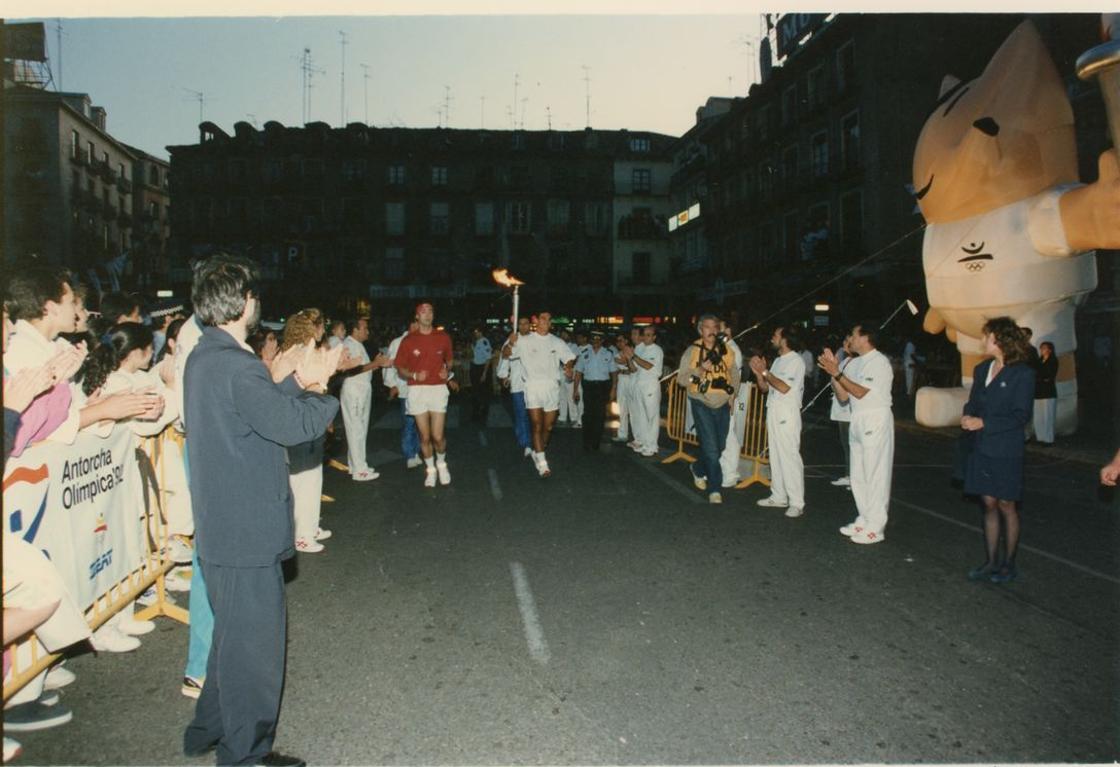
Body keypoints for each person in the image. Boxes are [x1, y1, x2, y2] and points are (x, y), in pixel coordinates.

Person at [182, 253, 339, 767]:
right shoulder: (239, 364)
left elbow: (248, 412)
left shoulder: (207, 356)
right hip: (245, 527)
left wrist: (291, 383)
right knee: (256, 653)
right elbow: (292, 426)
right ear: (245, 302)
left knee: (232, 635)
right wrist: (319, 385)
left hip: (222, 526)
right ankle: (245, 754)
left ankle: (208, 728)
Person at [959, 317, 1035, 584]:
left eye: (986, 336)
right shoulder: (982, 370)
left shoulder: (1022, 374)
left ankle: (1009, 564)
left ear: (1000, 340)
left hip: (1005, 448)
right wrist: (968, 416)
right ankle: (991, 561)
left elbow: (1020, 415)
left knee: (1006, 504)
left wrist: (984, 422)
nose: (982, 341)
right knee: (988, 504)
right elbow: (973, 402)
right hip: (981, 446)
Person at [819, 323, 895, 544]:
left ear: (865, 338)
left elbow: (861, 392)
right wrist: (833, 373)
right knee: (858, 474)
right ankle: (864, 518)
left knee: (875, 474)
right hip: (857, 418)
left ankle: (876, 527)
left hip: (875, 417)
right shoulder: (854, 363)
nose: (850, 339)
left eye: (853, 335)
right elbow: (844, 396)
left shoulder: (879, 362)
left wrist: (838, 373)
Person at [676, 314, 740, 503]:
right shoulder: (693, 350)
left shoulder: (727, 350)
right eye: (707, 327)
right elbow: (681, 380)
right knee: (711, 449)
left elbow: (734, 374)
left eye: (715, 327)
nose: (712, 330)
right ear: (700, 330)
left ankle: (698, 468)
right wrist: (700, 370)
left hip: (722, 403)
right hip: (701, 402)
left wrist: (732, 395)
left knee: (719, 447)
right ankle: (715, 488)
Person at [507, 311, 575, 477]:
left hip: (551, 387)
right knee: (536, 425)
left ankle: (539, 451)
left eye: (549, 319)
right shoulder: (524, 340)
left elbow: (569, 357)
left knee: (548, 426)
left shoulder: (556, 341)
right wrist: (510, 344)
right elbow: (506, 355)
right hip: (532, 386)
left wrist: (569, 366)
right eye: (543, 318)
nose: (546, 321)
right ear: (536, 321)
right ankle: (543, 463)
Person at [393, 302, 454, 488]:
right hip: (417, 390)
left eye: (430, 311)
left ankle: (442, 465)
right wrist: (413, 375)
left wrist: (447, 370)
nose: (428, 315)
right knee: (424, 437)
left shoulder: (443, 337)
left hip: (437, 389)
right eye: (423, 312)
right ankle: (430, 470)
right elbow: (400, 368)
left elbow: (450, 360)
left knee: (437, 436)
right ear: (417, 317)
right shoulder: (409, 340)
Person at [749, 325, 807, 517]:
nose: (772, 338)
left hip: (787, 413)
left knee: (789, 456)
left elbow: (784, 387)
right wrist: (759, 374)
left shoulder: (795, 361)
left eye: (775, 335)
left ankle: (797, 502)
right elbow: (766, 388)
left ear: (785, 339)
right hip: (773, 410)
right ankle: (779, 495)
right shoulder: (779, 361)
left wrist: (765, 372)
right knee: (775, 455)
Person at [339, 315, 389, 482]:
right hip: (354, 391)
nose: (368, 331)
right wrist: (376, 364)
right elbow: (351, 371)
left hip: (362, 389)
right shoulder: (348, 345)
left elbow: (364, 369)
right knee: (356, 429)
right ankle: (359, 470)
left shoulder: (358, 345)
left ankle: (356, 465)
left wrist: (376, 363)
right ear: (355, 330)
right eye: (364, 328)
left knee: (359, 428)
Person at [383, 318, 422, 469]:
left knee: (420, 423)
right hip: (405, 389)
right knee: (408, 423)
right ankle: (409, 455)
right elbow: (389, 365)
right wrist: (392, 385)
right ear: (412, 325)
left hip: (420, 389)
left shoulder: (422, 341)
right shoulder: (397, 342)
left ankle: (416, 452)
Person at [572, 329, 617, 451]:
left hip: (603, 387)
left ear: (602, 341)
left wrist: (613, 389)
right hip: (589, 386)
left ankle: (596, 442)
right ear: (591, 341)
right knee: (588, 415)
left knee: (600, 415)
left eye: (598, 339)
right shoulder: (584, 353)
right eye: (593, 339)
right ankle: (587, 441)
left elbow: (614, 373)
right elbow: (578, 373)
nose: (596, 342)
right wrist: (575, 390)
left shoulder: (609, 353)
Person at [497, 316, 533, 457]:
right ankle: (526, 443)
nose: (523, 326)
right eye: (521, 324)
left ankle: (532, 440)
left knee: (533, 415)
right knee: (521, 415)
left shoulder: (535, 340)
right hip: (518, 384)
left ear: (529, 325)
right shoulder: (511, 340)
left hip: (534, 384)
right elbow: (504, 357)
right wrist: (504, 375)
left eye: (526, 324)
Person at [629, 325, 664, 457]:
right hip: (640, 384)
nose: (646, 337)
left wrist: (633, 356)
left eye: (649, 335)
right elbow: (636, 368)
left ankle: (652, 445)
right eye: (645, 334)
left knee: (652, 417)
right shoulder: (642, 349)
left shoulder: (657, 350)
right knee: (641, 416)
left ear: (654, 337)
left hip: (650, 385)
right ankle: (644, 442)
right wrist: (629, 358)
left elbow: (648, 366)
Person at [828, 332, 856, 488]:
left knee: (853, 445)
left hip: (850, 409)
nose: (845, 343)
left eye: (848, 340)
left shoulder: (858, 362)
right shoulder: (845, 361)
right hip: (840, 408)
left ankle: (855, 476)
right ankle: (848, 473)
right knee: (845, 444)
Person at [612, 333, 637, 444]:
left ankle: (637, 437)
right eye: (617, 341)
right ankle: (622, 434)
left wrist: (626, 361)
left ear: (626, 341)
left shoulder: (634, 351)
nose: (619, 343)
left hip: (632, 380)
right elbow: (619, 362)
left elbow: (631, 365)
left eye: (621, 340)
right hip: (622, 379)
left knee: (633, 410)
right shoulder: (617, 354)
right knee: (622, 409)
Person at [1032, 340, 1058, 446]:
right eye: (1041, 348)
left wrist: (1040, 378)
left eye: (1044, 348)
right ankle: (1040, 437)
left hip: (1048, 391)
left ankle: (1048, 439)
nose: (1042, 350)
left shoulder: (1053, 361)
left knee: (1048, 415)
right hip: (1038, 391)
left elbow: (1049, 376)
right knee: (1039, 415)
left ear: (1050, 350)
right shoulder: (1039, 361)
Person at [469, 325, 493, 424]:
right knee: (475, 390)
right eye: (474, 332)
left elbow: (488, 359)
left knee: (483, 391)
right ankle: (476, 411)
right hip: (475, 367)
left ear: (481, 332)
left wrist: (484, 373)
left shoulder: (484, 341)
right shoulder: (475, 341)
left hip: (482, 368)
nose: (476, 334)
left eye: (477, 332)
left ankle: (483, 412)